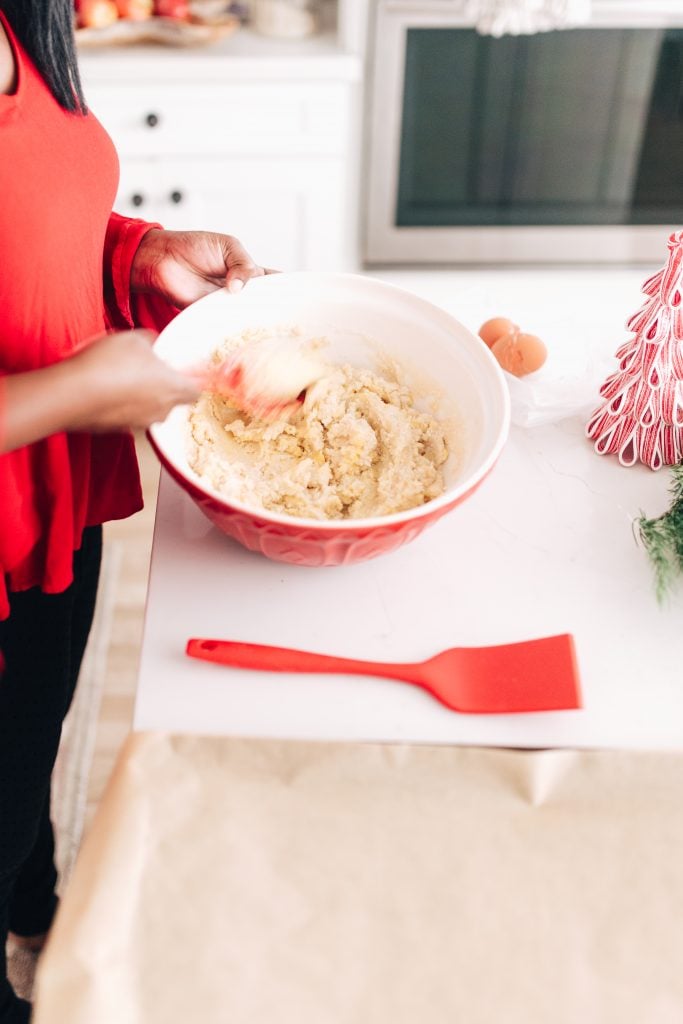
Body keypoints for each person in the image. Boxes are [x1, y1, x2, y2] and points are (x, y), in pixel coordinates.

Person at [0, 3, 269, 1020]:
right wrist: (73, 389)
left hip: (51, 510)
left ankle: (33, 898)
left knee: (30, 747)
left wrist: (135, 253)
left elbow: (29, 211)